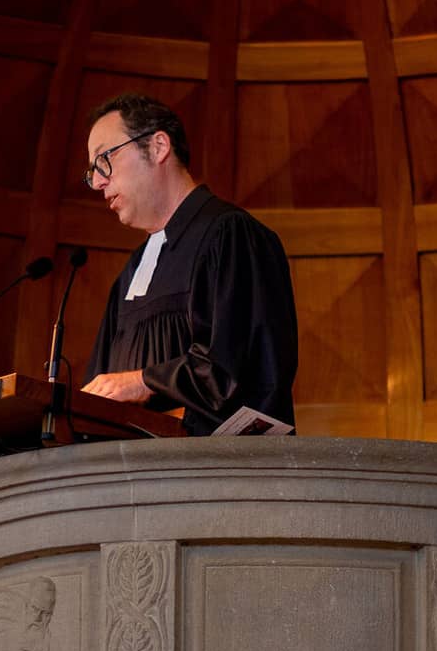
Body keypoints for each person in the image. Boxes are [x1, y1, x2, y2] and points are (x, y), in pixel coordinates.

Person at [80, 92, 298, 435]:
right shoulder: (130, 273)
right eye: (92, 171)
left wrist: (142, 382)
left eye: (104, 159)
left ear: (158, 147)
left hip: (209, 463)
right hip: (131, 466)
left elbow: (239, 373)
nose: (97, 182)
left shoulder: (230, 235)